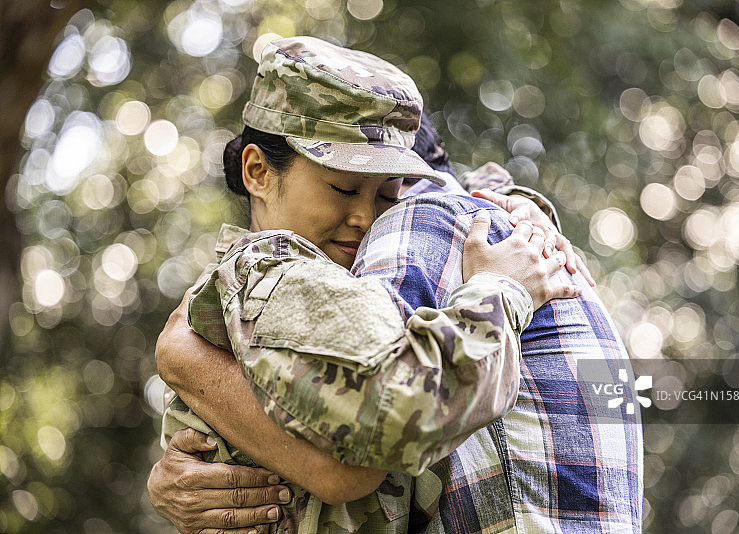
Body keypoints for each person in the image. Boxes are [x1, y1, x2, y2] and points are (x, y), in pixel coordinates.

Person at [152, 35, 585, 533]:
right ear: (258, 171)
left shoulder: (278, 284)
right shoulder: (271, 267)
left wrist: (512, 199)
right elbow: (389, 424)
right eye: (342, 187)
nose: (364, 217)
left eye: (386, 194)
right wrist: (502, 290)